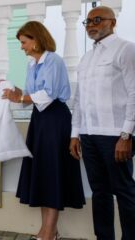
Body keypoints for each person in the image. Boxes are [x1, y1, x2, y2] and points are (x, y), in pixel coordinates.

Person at [2, 21, 85, 240]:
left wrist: (20, 97)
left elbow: (48, 95)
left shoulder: (54, 61)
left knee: (52, 173)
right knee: (44, 174)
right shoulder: (32, 64)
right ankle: (48, 231)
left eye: (24, 42)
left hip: (56, 120)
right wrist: (14, 91)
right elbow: (30, 97)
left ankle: (48, 233)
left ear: (36, 39)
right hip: (40, 121)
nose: (22, 47)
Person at [70, 6, 135, 240]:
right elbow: (79, 99)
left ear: (113, 22)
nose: (91, 25)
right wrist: (75, 134)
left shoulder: (126, 49)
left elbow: (134, 93)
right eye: (87, 22)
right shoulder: (86, 58)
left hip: (115, 135)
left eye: (97, 20)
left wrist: (126, 135)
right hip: (88, 134)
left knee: (125, 191)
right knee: (100, 192)